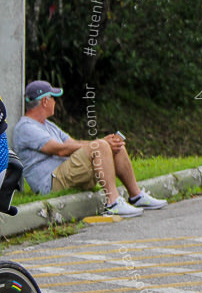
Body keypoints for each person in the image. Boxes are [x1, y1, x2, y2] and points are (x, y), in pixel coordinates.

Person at [13, 80, 167, 217]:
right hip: (51, 182)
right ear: (45, 101)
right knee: (100, 145)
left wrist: (106, 143)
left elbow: (73, 143)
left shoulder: (48, 125)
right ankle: (113, 203)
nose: (55, 102)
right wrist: (100, 143)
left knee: (115, 146)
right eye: (53, 98)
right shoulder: (26, 127)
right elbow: (60, 150)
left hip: (66, 173)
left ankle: (136, 195)